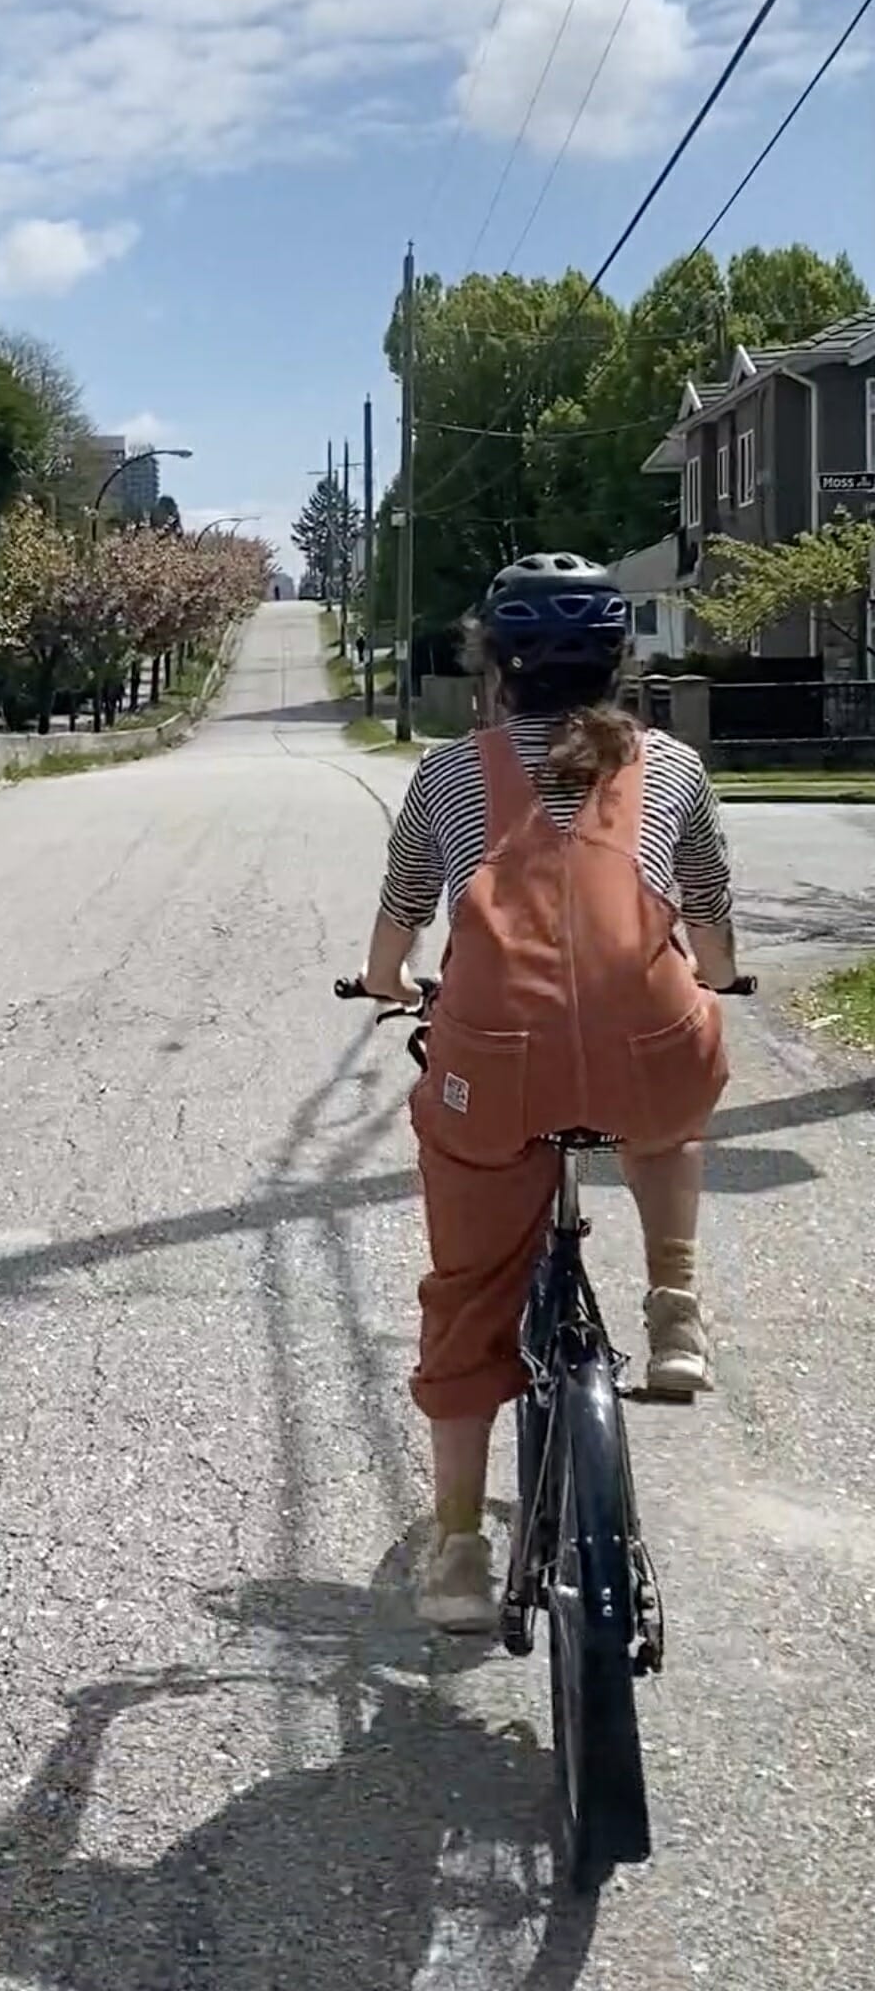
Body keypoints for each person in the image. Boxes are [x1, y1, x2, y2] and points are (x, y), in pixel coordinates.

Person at [357, 553, 740, 1634]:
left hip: (497, 1068)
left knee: (471, 1288)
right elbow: (707, 907)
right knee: (671, 1103)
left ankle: (462, 1554)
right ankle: (674, 1309)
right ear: (622, 664)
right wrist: (710, 974)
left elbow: (402, 908)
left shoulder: (448, 773)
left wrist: (387, 980)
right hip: (646, 1050)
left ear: (493, 667)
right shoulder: (672, 766)